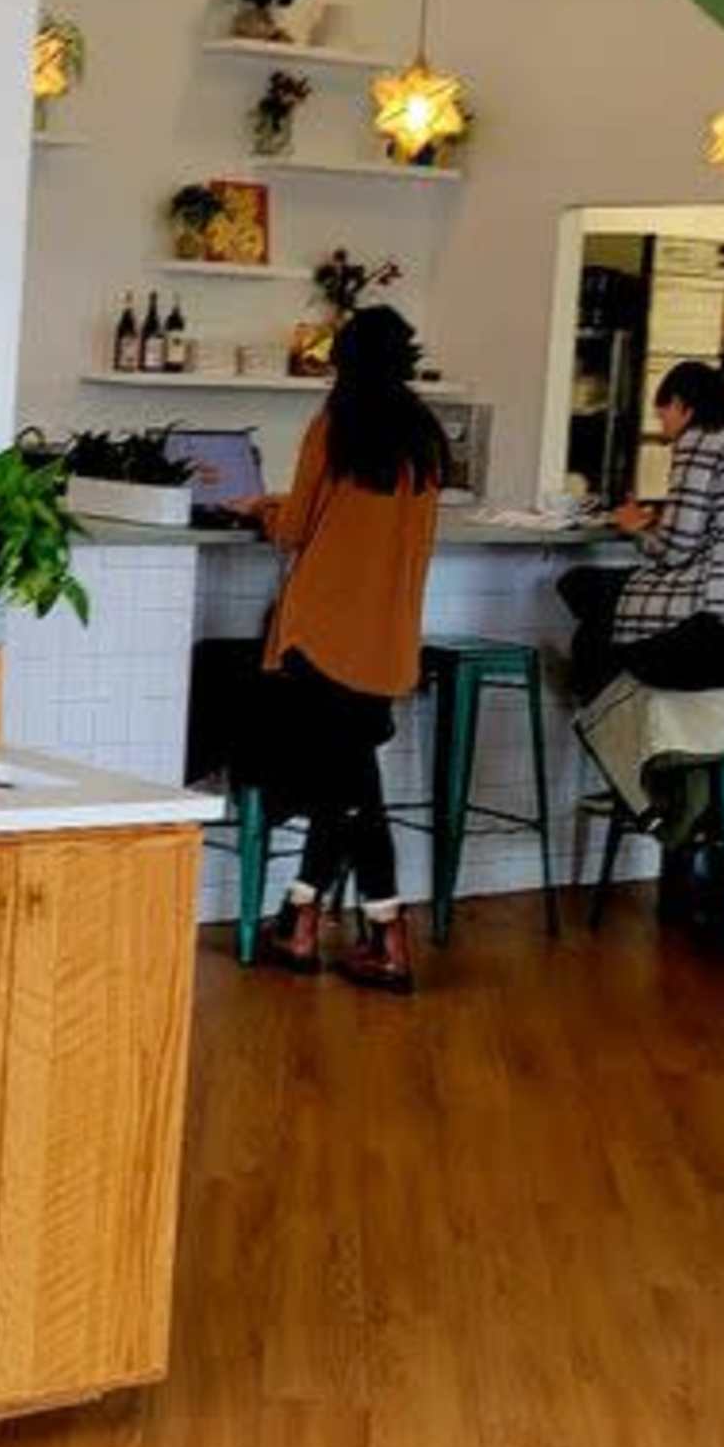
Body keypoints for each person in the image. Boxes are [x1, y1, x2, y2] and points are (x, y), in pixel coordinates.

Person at [237, 305, 452, 989]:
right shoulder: (425, 438)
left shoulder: (337, 424)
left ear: (344, 361)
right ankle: (301, 919)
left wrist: (264, 508)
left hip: (323, 633)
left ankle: (388, 934)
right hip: (386, 640)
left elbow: (294, 529)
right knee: (346, 777)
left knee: (352, 784)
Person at [561, 360, 724, 701]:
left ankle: (597, 715)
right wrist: (655, 522)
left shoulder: (700, 440)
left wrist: (634, 527)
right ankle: (613, 712)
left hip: (721, 630)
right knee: (602, 624)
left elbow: (674, 551)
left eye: (663, 416)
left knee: (581, 587)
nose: (664, 432)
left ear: (680, 404)